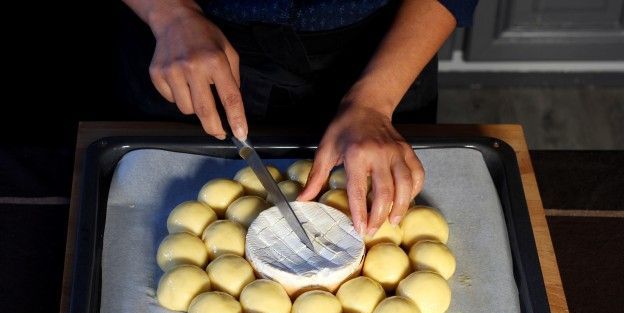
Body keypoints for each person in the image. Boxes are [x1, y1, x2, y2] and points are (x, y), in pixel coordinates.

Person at [120, 0, 478, 236]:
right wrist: (168, 13)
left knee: (383, 194)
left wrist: (374, 102)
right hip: (187, 50)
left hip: (390, 48)